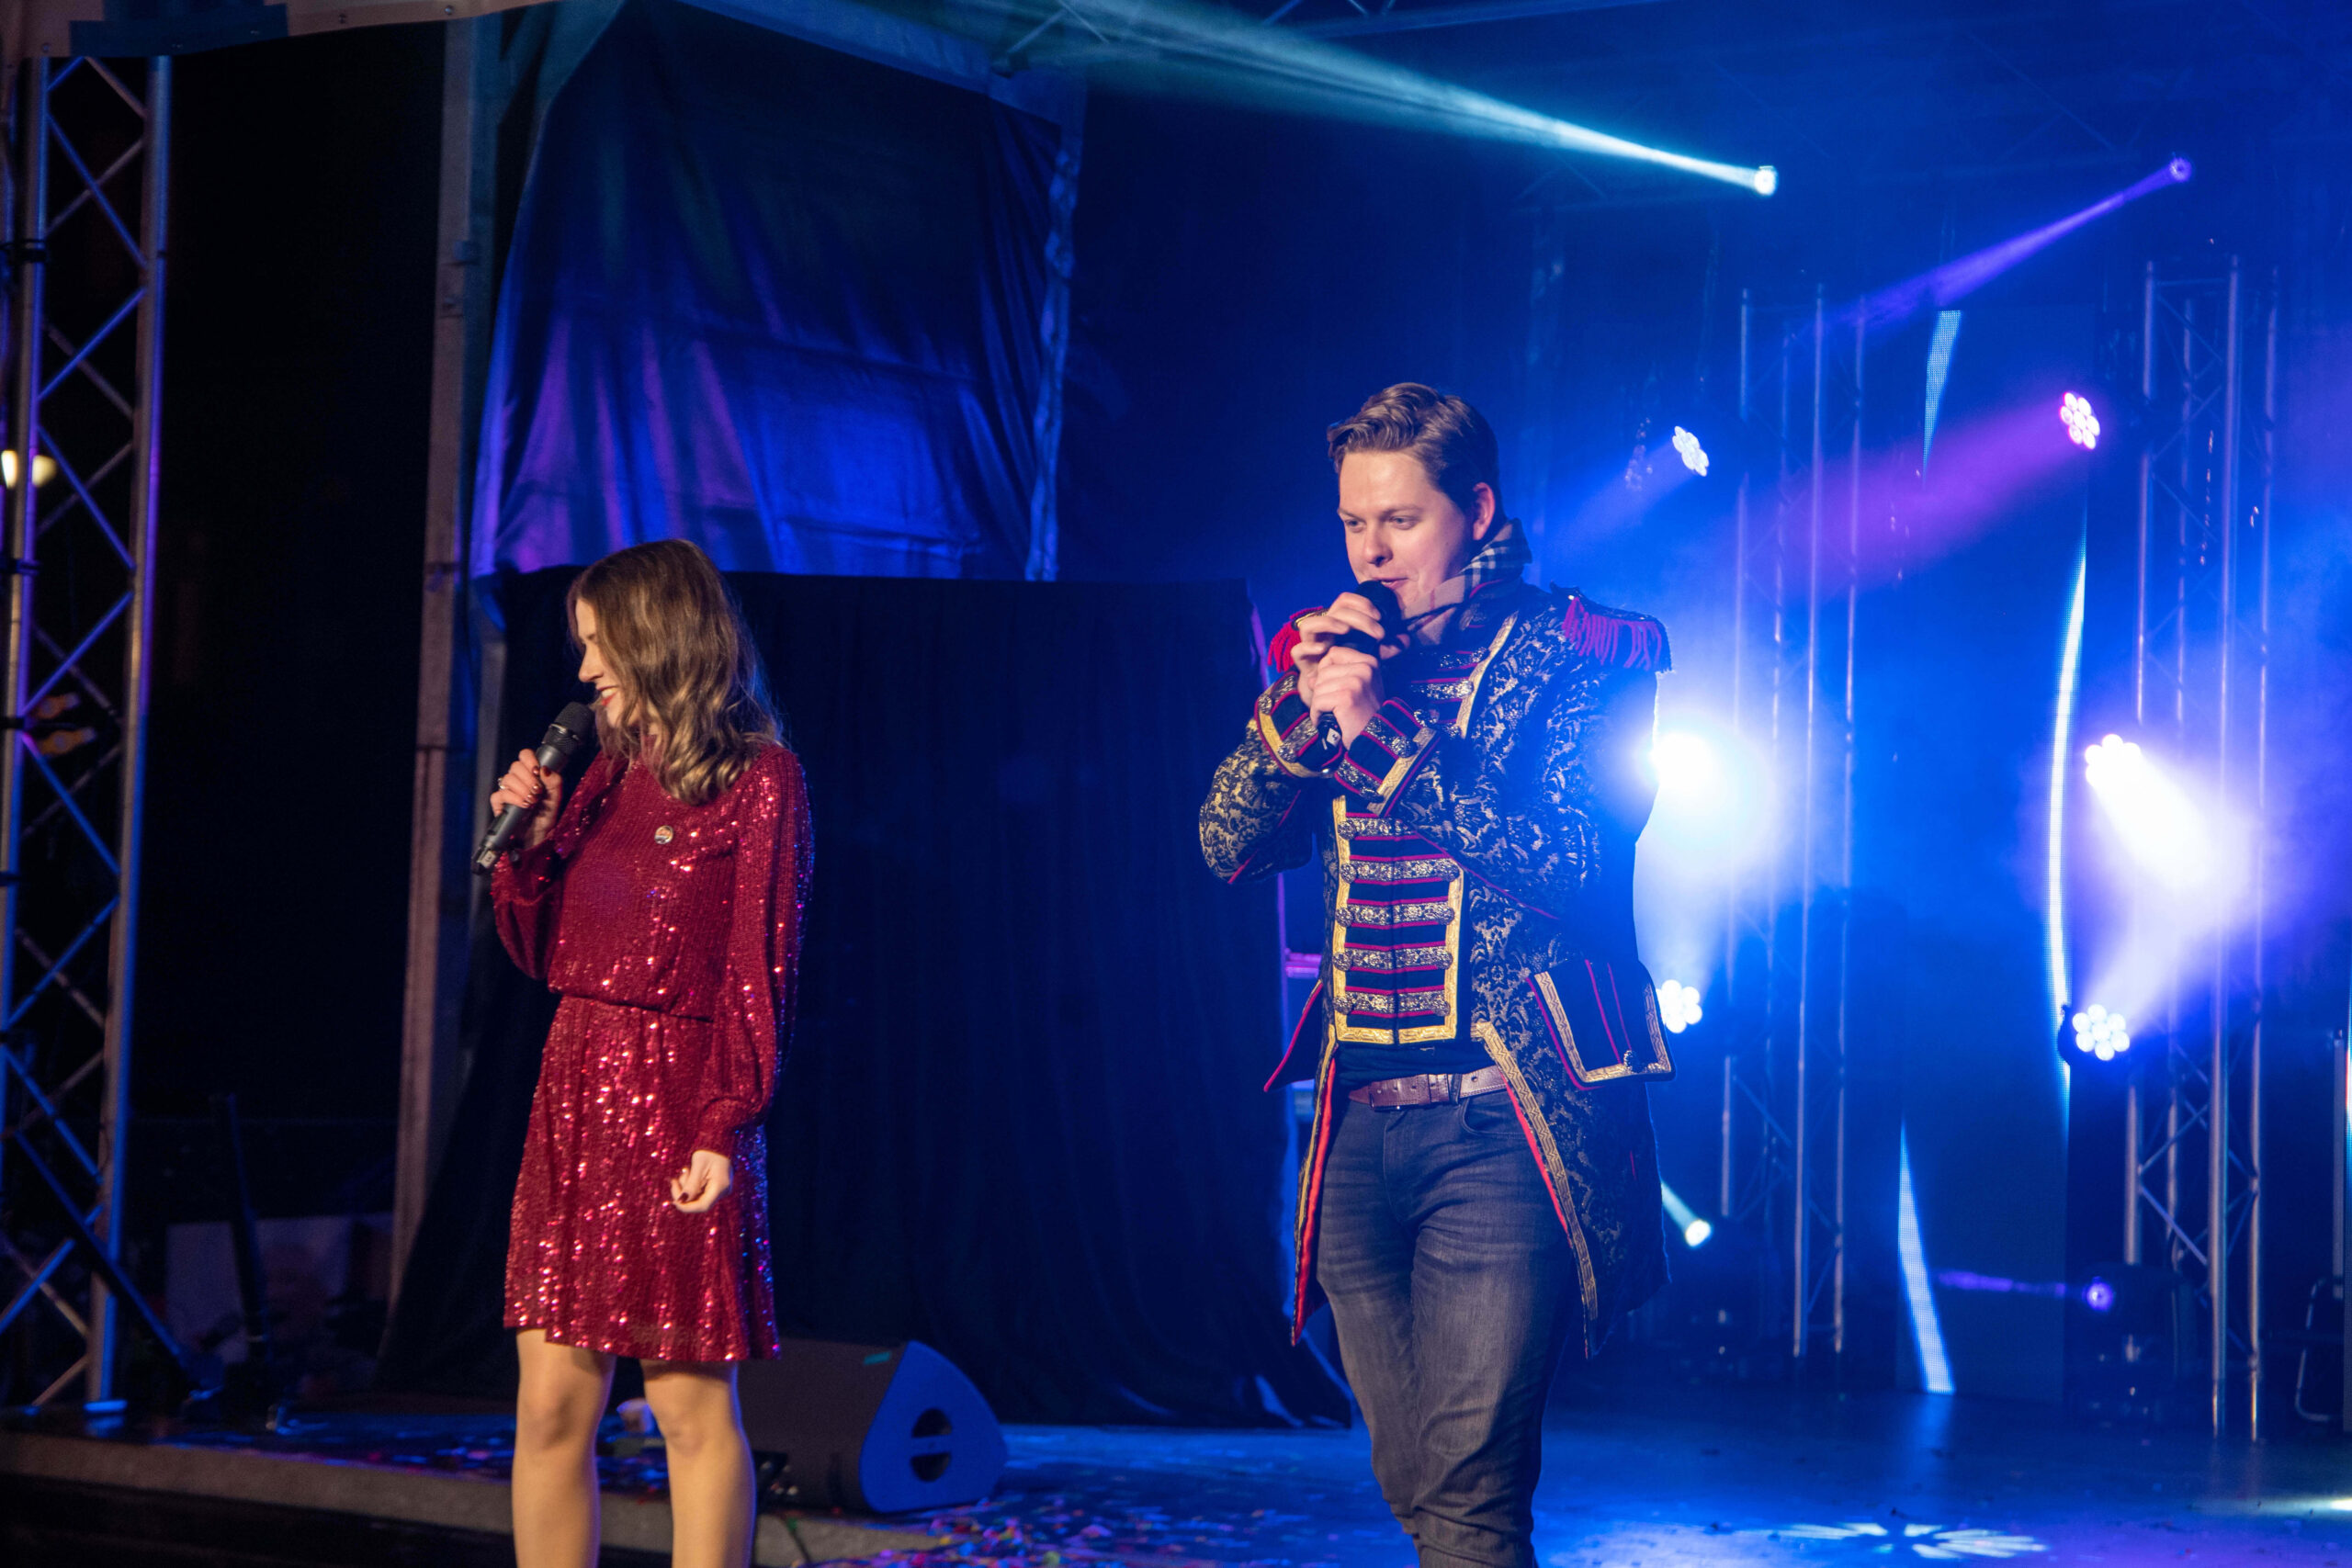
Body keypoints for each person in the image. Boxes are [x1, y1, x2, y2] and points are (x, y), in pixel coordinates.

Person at [1198, 384, 1675, 1568]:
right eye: (1354, 523)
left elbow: (1571, 861)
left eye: (1400, 520)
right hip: (1357, 1123)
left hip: (1504, 1123)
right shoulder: (1336, 663)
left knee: (1468, 1500)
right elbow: (1222, 840)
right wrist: (1301, 711)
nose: (1371, 550)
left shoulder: (1584, 656)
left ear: (1477, 512)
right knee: (1415, 1483)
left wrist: (1383, 737)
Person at [486, 538, 813, 1568]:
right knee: (549, 1408)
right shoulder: (603, 775)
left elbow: (760, 968)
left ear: (658, 640)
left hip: (679, 1104)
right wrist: (531, 847)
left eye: (600, 645)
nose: (586, 670)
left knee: (687, 1407)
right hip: (575, 1092)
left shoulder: (761, 779)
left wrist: (725, 1125)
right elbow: (541, 954)